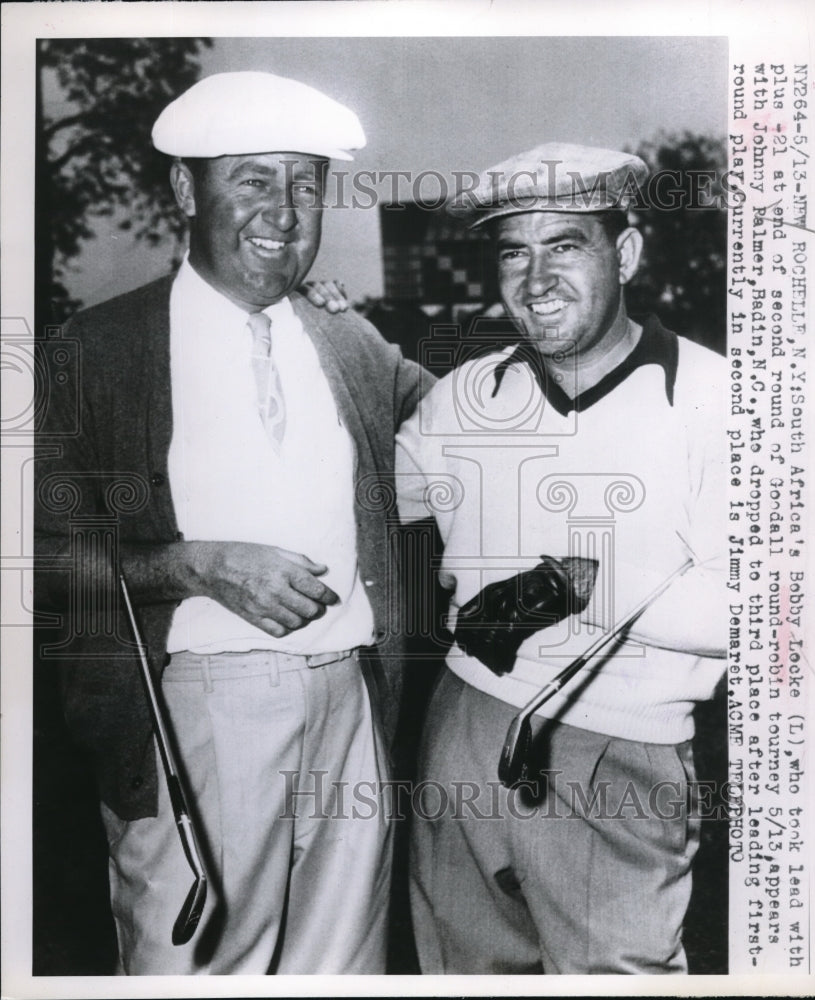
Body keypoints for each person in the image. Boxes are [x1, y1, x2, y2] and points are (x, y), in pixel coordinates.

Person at [34, 71, 429, 975]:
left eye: (305, 183)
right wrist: (194, 565)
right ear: (186, 190)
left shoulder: (351, 342)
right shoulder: (94, 351)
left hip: (351, 704)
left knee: (342, 972)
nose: (284, 212)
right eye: (252, 180)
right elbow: (32, 549)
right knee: (201, 971)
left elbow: (455, 431)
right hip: (197, 711)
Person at [395, 142, 727, 974]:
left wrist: (581, 584)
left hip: (619, 741)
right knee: (459, 971)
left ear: (625, 253)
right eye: (515, 250)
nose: (535, 277)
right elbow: (368, 501)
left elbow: (776, 611)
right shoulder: (468, 391)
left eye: (565, 245)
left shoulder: (716, 398)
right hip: (464, 718)